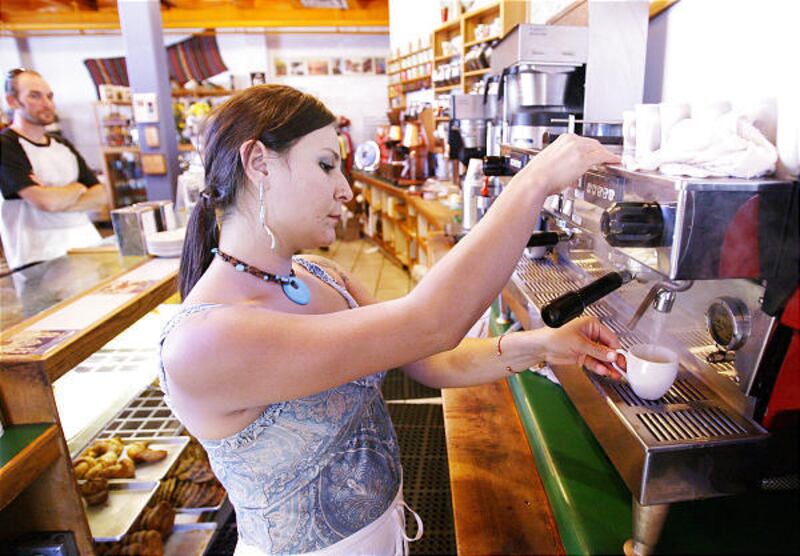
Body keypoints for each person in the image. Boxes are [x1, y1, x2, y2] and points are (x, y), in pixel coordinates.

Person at [160, 84, 623, 556]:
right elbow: (431, 322)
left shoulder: (322, 275)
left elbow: (428, 357)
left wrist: (542, 346)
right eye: (326, 165)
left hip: (385, 533)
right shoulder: (206, 339)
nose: (345, 188)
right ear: (258, 163)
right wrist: (532, 182)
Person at [0, 68, 106, 270]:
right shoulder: (7, 145)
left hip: (87, 247)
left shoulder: (62, 144)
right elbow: (45, 202)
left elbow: (101, 195)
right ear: (12, 101)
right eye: (35, 96)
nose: (46, 103)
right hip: (38, 260)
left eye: (49, 96)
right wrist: (77, 188)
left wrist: (59, 198)